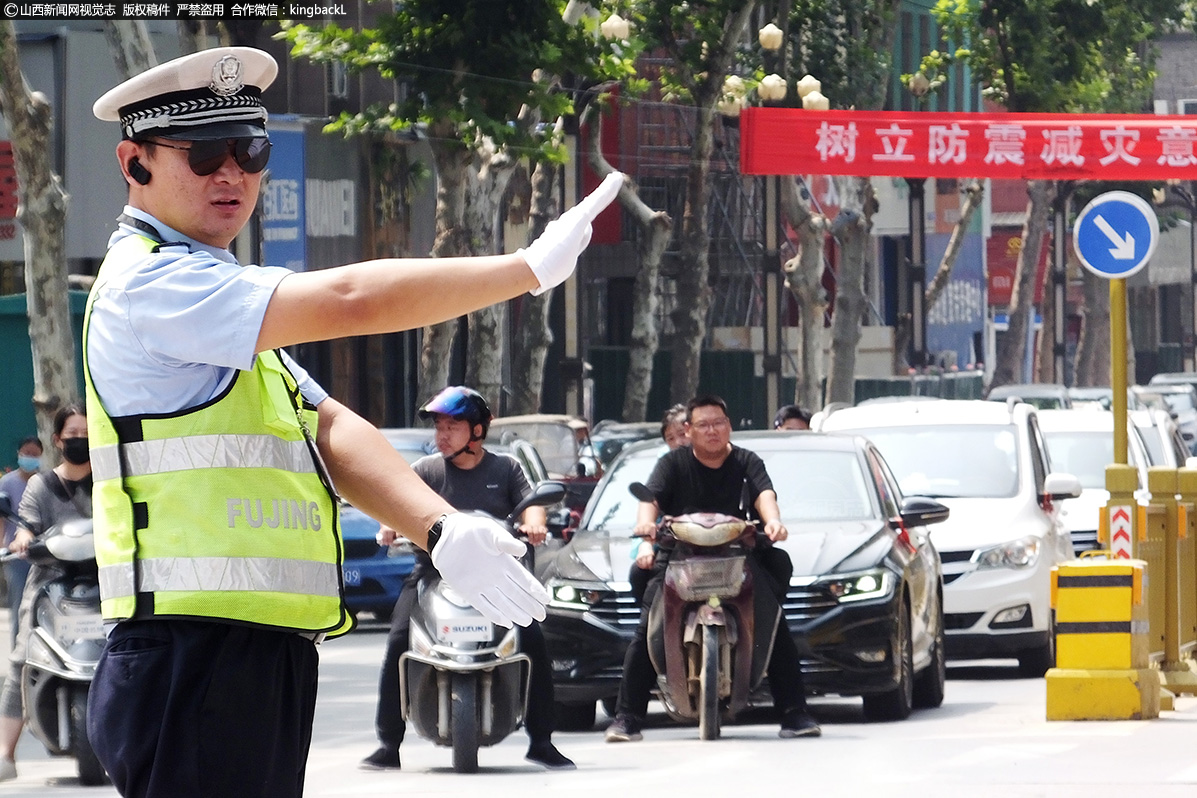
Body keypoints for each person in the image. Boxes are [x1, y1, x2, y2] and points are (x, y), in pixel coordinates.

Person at [84, 46, 622, 798]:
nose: (231, 173)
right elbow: (348, 301)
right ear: (132, 162)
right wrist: (523, 270)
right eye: (204, 153)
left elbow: (331, 428)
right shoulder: (155, 283)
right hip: (187, 653)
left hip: (248, 653)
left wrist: (442, 526)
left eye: (250, 150)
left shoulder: (223, 302)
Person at [363, 386, 574, 772]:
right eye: (439, 427)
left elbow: (531, 509)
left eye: (452, 426)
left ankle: (542, 741)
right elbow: (395, 504)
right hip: (431, 575)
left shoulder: (506, 468)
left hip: (494, 577)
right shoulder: (426, 471)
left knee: (534, 639)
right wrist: (388, 527)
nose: (441, 435)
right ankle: (388, 744)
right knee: (397, 643)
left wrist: (535, 525)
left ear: (477, 431)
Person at [605, 395, 820, 742]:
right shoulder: (672, 464)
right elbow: (650, 500)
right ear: (688, 430)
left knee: (773, 621)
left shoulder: (747, 461)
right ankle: (627, 717)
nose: (712, 431)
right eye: (703, 425)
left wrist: (774, 521)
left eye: (718, 423)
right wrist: (645, 531)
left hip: (739, 554)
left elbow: (765, 495)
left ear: (729, 425)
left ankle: (795, 713)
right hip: (679, 556)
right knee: (647, 628)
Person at [0, 406, 91, 782]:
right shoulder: (40, 485)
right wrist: (24, 538)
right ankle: (5, 753)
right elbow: (26, 524)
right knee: (21, 658)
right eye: (72, 434)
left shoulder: (111, 484)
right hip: (50, 584)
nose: (79, 441)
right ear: (57, 440)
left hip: (105, 584)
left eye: (86, 434)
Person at [629, 404, 688, 605]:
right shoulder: (665, 468)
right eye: (671, 438)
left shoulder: (726, 459)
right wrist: (646, 543)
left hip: (722, 547)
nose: (679, 442)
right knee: (640, 575)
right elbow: (650, 501)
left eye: (682, 434)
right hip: (676, 547)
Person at [0, 435, 43, 644]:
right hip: (15, 556)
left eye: (35, 454)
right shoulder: (6, 483)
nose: (30, 458)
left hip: (42, 553)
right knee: (18, 606)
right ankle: (19, 652)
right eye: (26, 454)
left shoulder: (45, 482)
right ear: (18, 454)